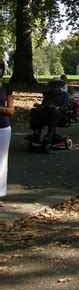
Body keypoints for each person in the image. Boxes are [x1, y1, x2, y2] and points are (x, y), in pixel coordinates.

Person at [29, 77, 70, 142]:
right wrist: (39, 106)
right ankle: (36, 133)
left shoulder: (65, 95)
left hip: (61, 115)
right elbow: (44, 105)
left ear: (61, 86)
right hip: (47, 113)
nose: (56, 86)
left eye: (58, 84)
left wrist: (56, 108)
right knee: (34, 111)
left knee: (55, 112)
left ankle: (50, 134)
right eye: (54, 84)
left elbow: (66, 107)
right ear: (51, 85)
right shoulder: (48, 94)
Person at [0, 60, 14, 207]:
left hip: (3, 128)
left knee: (2, 162)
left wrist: (1, 109)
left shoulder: (7, 87)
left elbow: (11, 110)